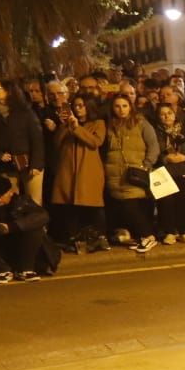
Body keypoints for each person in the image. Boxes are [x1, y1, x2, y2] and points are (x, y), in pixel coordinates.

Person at [49, 95, 108, 252]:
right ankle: (73, 237)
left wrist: (76, 128)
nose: (78, 108)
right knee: (69, 206)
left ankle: (100, 237)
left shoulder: (98, 123)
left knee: (93, 206)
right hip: (68, 171)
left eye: (81, 105)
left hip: (88, 170)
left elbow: (95, 142)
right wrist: (63, 126)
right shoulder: (67, 124)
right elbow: (57, 143)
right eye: (75, 105)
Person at [102, 92, 160, 253]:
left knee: (132, 206)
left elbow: (153, 146)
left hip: (134, 173)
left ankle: (148, 236)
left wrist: (146, 165)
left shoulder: (140, 122)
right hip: (114, 175)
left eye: (125, 106)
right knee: (124, 207)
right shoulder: (109, 125)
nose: (121, 110)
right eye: (117, 106)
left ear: (130, 107)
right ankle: (139, 236)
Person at [153, 102, 185, 244]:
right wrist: (164, 158)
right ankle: (170, 232)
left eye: (169, 113)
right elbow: (152, 150)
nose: (166, 116)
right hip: (162, 171)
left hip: (184, 169)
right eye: (163, 114)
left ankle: (184, 231)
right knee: (166, 203)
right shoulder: (155, 132)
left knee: (184, 202)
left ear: (175, 115)